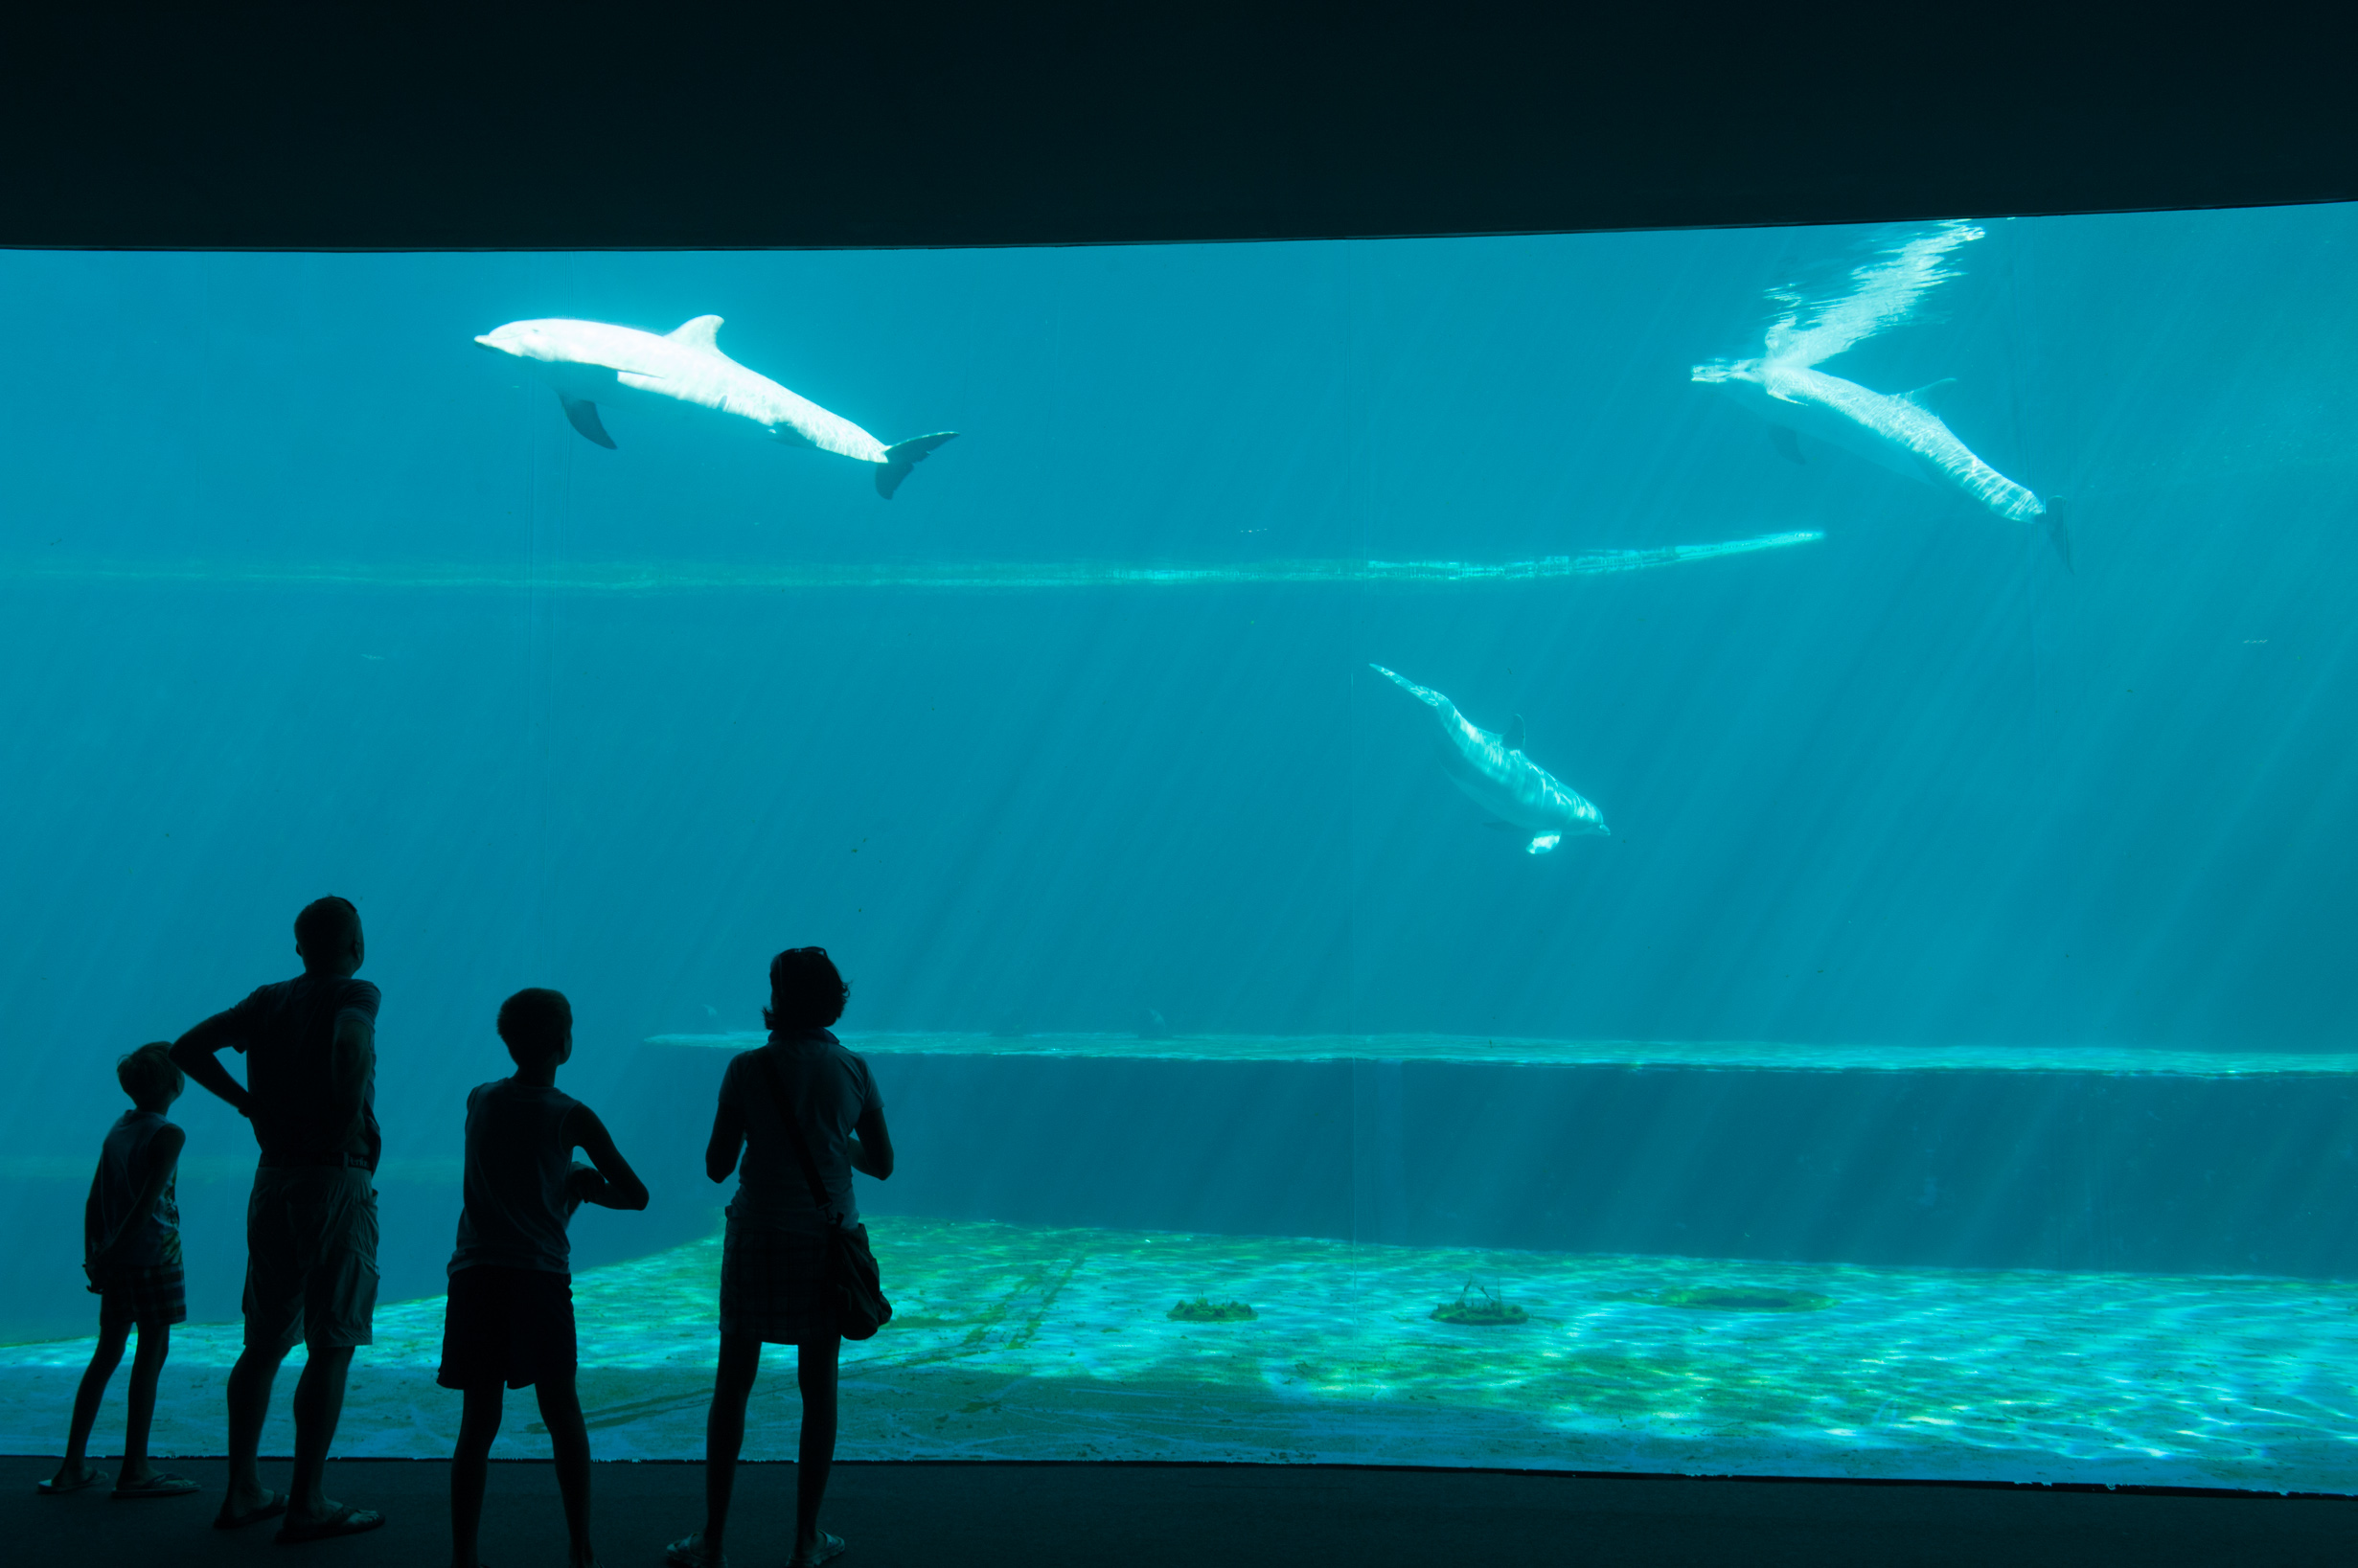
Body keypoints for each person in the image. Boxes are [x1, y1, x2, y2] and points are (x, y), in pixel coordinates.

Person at [667, 947, 894, 1568]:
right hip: (825, 1241)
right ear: (834, 998)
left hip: (758, 1235)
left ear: (777, 995)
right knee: (817, 1389)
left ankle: (712, 1539)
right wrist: (830, 1140)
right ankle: (806, 1538)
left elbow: (716, 1166)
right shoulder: (854, 1069)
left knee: (732, 1385)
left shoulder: (746, 1068)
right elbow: (882, 1162)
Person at [170, 895, 385, 1542]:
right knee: (331, 1342)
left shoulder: (266, 1000)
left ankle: (242, 1488)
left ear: (299, 947)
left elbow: (186, 1047)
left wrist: (248, 1104)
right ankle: (307, 1500)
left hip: (274, 1178)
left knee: (263, 1342)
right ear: (355, 943)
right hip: (332, 1177)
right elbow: (350, 1045)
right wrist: (348, 1114)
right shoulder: (358, 991)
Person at [442, 988, 650, 1568]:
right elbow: (636, 1197)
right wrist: (582, 1185)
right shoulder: (573, 1116)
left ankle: (464, 1555)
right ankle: (580, 1547)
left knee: (477, 1424)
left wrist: (562, 1188)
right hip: (538, 1279)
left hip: (476, 1274)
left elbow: (512, 1179)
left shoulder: (478, 1098)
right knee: (562, 1413)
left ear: (506, 1040)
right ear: (564, 1043)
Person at [39, 1043, 199, 1500]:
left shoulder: (118, 1128)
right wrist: (117, 1250)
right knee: (150, 1355)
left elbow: (95, 1198)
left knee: (105, 1354)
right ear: (175, 1084)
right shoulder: (169, 1134)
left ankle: (72, 1466)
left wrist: (98, 1253)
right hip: (155, 1257)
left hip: (115, 1257)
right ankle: (136, 1469)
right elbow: (148, 1205)